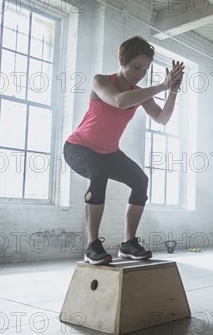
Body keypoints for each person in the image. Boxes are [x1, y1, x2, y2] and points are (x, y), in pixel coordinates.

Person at [63, 36, 185, 265]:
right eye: (136, 67)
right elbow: (119, 101)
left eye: (145, 70)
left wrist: (173, 91)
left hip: (108, 152)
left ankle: (128, 243)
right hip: (78, 147)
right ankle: (92, 245)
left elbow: (162, 118)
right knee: (98, 174)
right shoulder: (100, 81)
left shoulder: (139, 93)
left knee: (141, 180)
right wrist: (161, 86)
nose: (139, 74)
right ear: (122, 60)